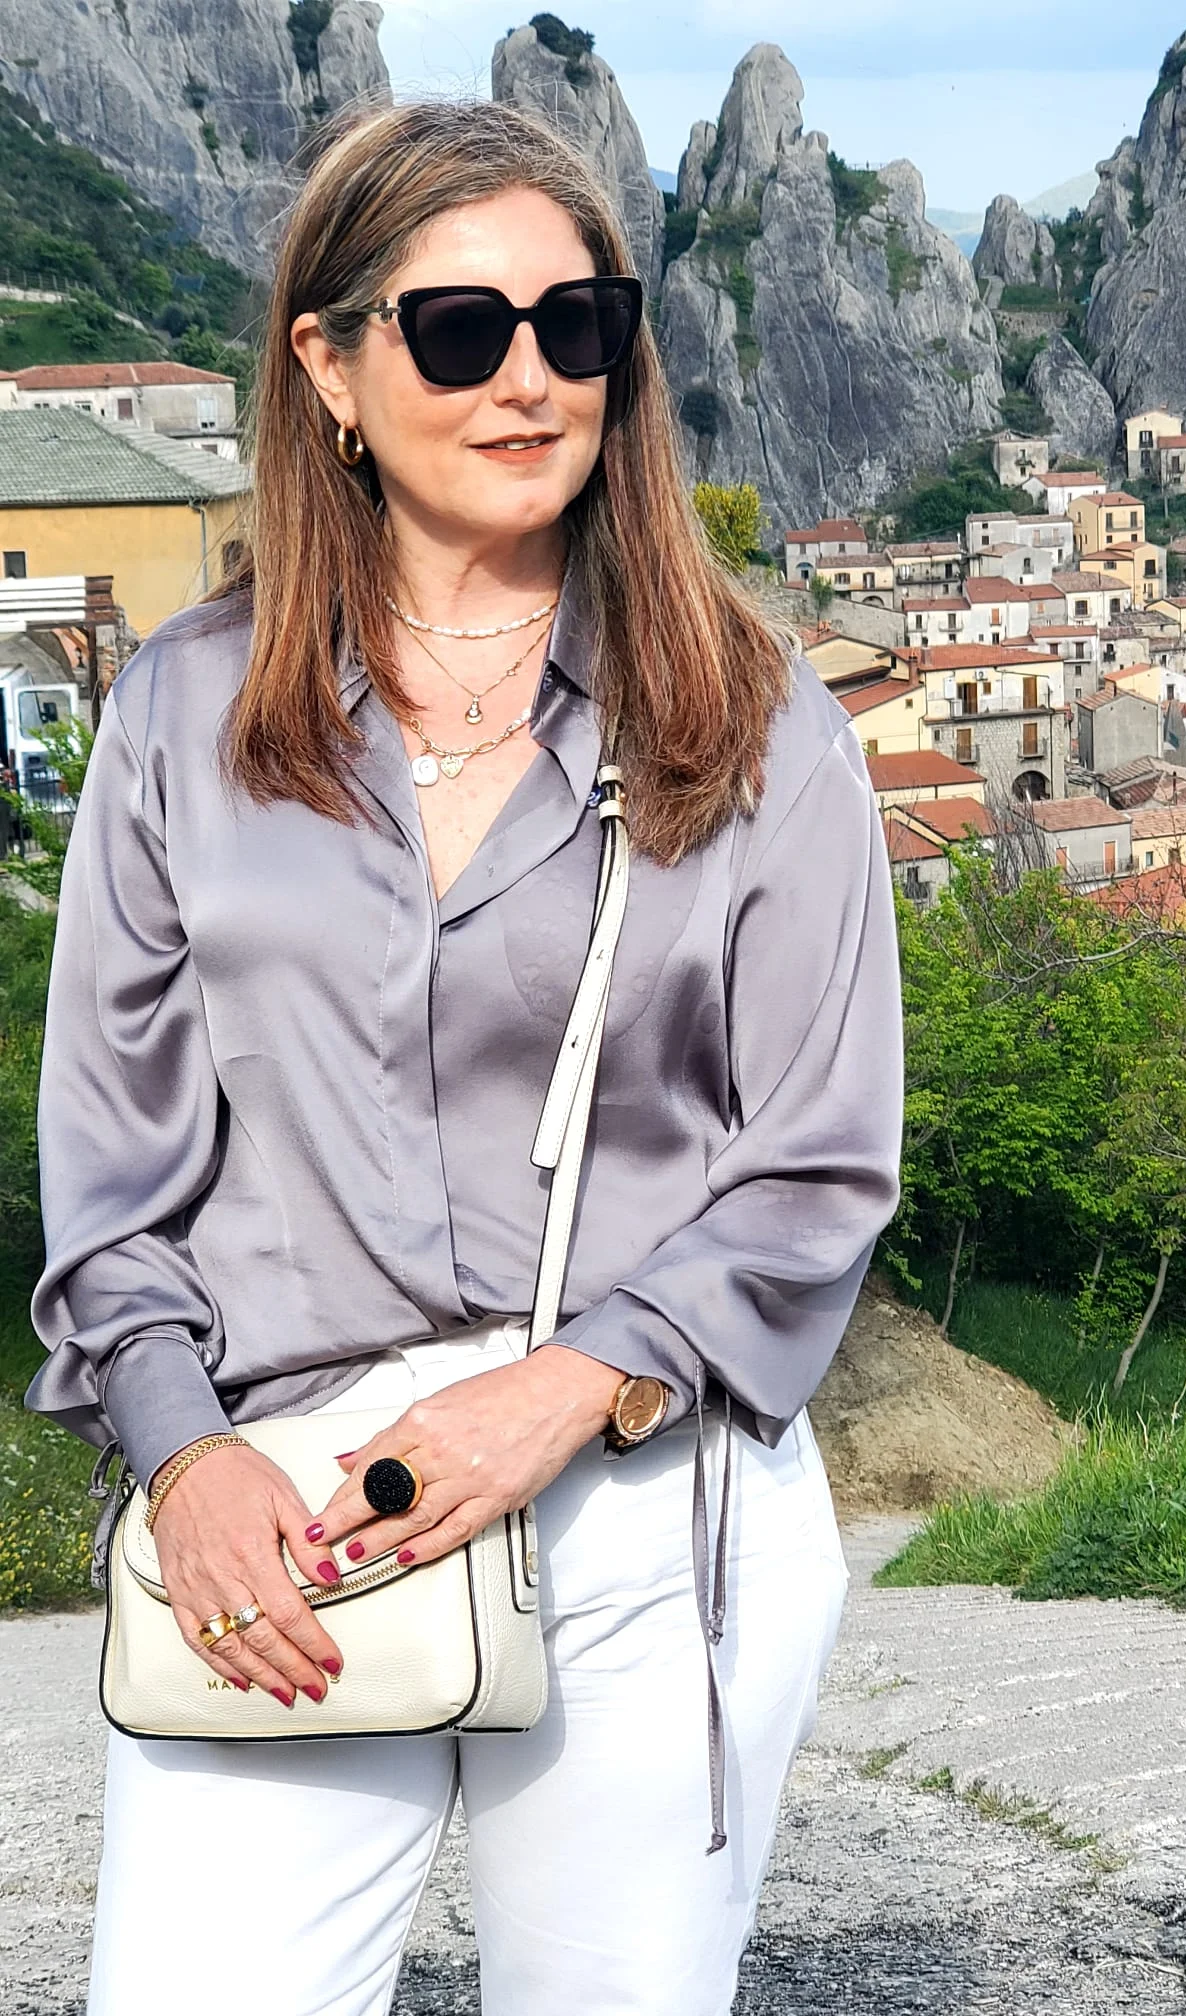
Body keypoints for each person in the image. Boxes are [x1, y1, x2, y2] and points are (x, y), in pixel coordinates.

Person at [24, 100, 903, 2016]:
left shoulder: (758, 724)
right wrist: (182, 1460)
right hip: (287, 1506)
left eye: (576, 326)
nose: (528, 378)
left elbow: (821, 1161)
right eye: (457, 330)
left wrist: (561, 1391)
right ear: (330, 369)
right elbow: (107, 1172)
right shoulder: (183, 717)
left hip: (642, 1506)